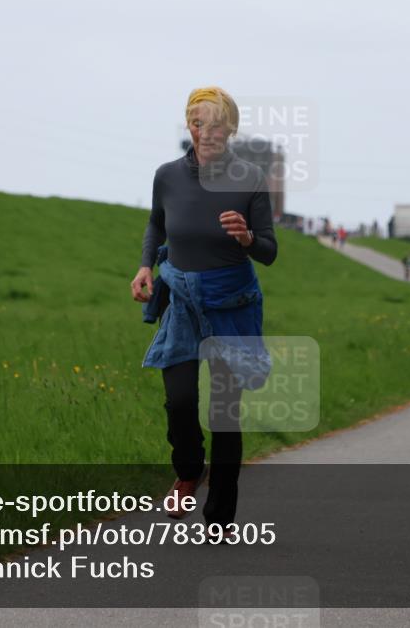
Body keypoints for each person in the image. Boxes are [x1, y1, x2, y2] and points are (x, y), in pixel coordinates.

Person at [132, 86, 277, 531]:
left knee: (224, 412)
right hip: (182, 302)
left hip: (231, 304)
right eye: (197, 123)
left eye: (215, 124)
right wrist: (145, 265)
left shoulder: (250, 178)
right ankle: (189, 470)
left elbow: (269, 251)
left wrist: (247, 238)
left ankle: (220, 517)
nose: (205, 132)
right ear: (189, 126)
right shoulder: (167, 176)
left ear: (229, 129)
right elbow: (156, 223)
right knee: (179, 400)